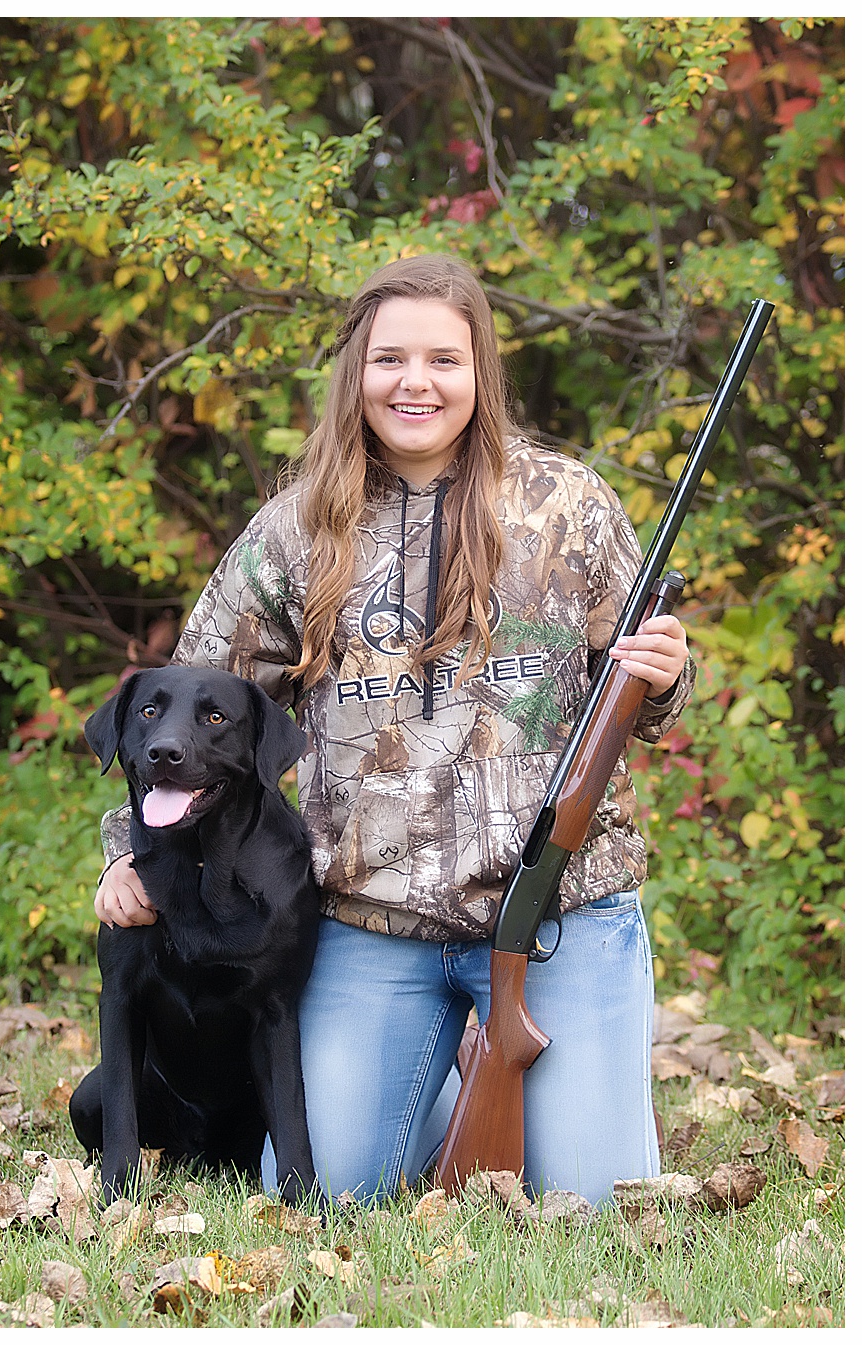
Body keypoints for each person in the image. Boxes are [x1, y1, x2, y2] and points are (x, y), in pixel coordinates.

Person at [94, 254, 692, 1206]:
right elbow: (190, 709)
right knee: (323, 1188)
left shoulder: (569, 506)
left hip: (559, 919)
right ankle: (452, 1070)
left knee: (593, 1203)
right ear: (355, 372)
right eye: (391, 359)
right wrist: (133, 852)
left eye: (445, 360)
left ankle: (540, 1076)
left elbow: (650, 702)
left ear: (481, 372)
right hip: (370, 925)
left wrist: (664, 673)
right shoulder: (297, 529)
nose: (416, 382)